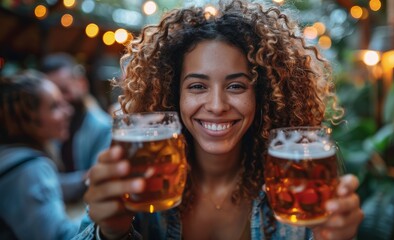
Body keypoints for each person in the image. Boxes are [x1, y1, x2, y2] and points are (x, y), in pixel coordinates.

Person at [74, 0, 364, 239]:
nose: (216, 106)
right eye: (197, 86)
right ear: (174, 94)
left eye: (236, 86)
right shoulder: (140, 176)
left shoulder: (296, 181)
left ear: (262, 95)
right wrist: (110, 232)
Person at [0, 71, 78, 239]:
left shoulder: (9, 155)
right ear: (26, 120)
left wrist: (89, 178)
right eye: (55, 106)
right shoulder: (30, 168)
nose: (68, 111)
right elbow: (60, 236)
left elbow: (54, 186)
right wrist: (101, 219)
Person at [40, 53, 112, 203]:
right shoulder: (48, 126)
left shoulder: (103, 127)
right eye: (52, 97)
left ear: (82, 84)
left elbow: (96, 182)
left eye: (64, 90)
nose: (60, 101)